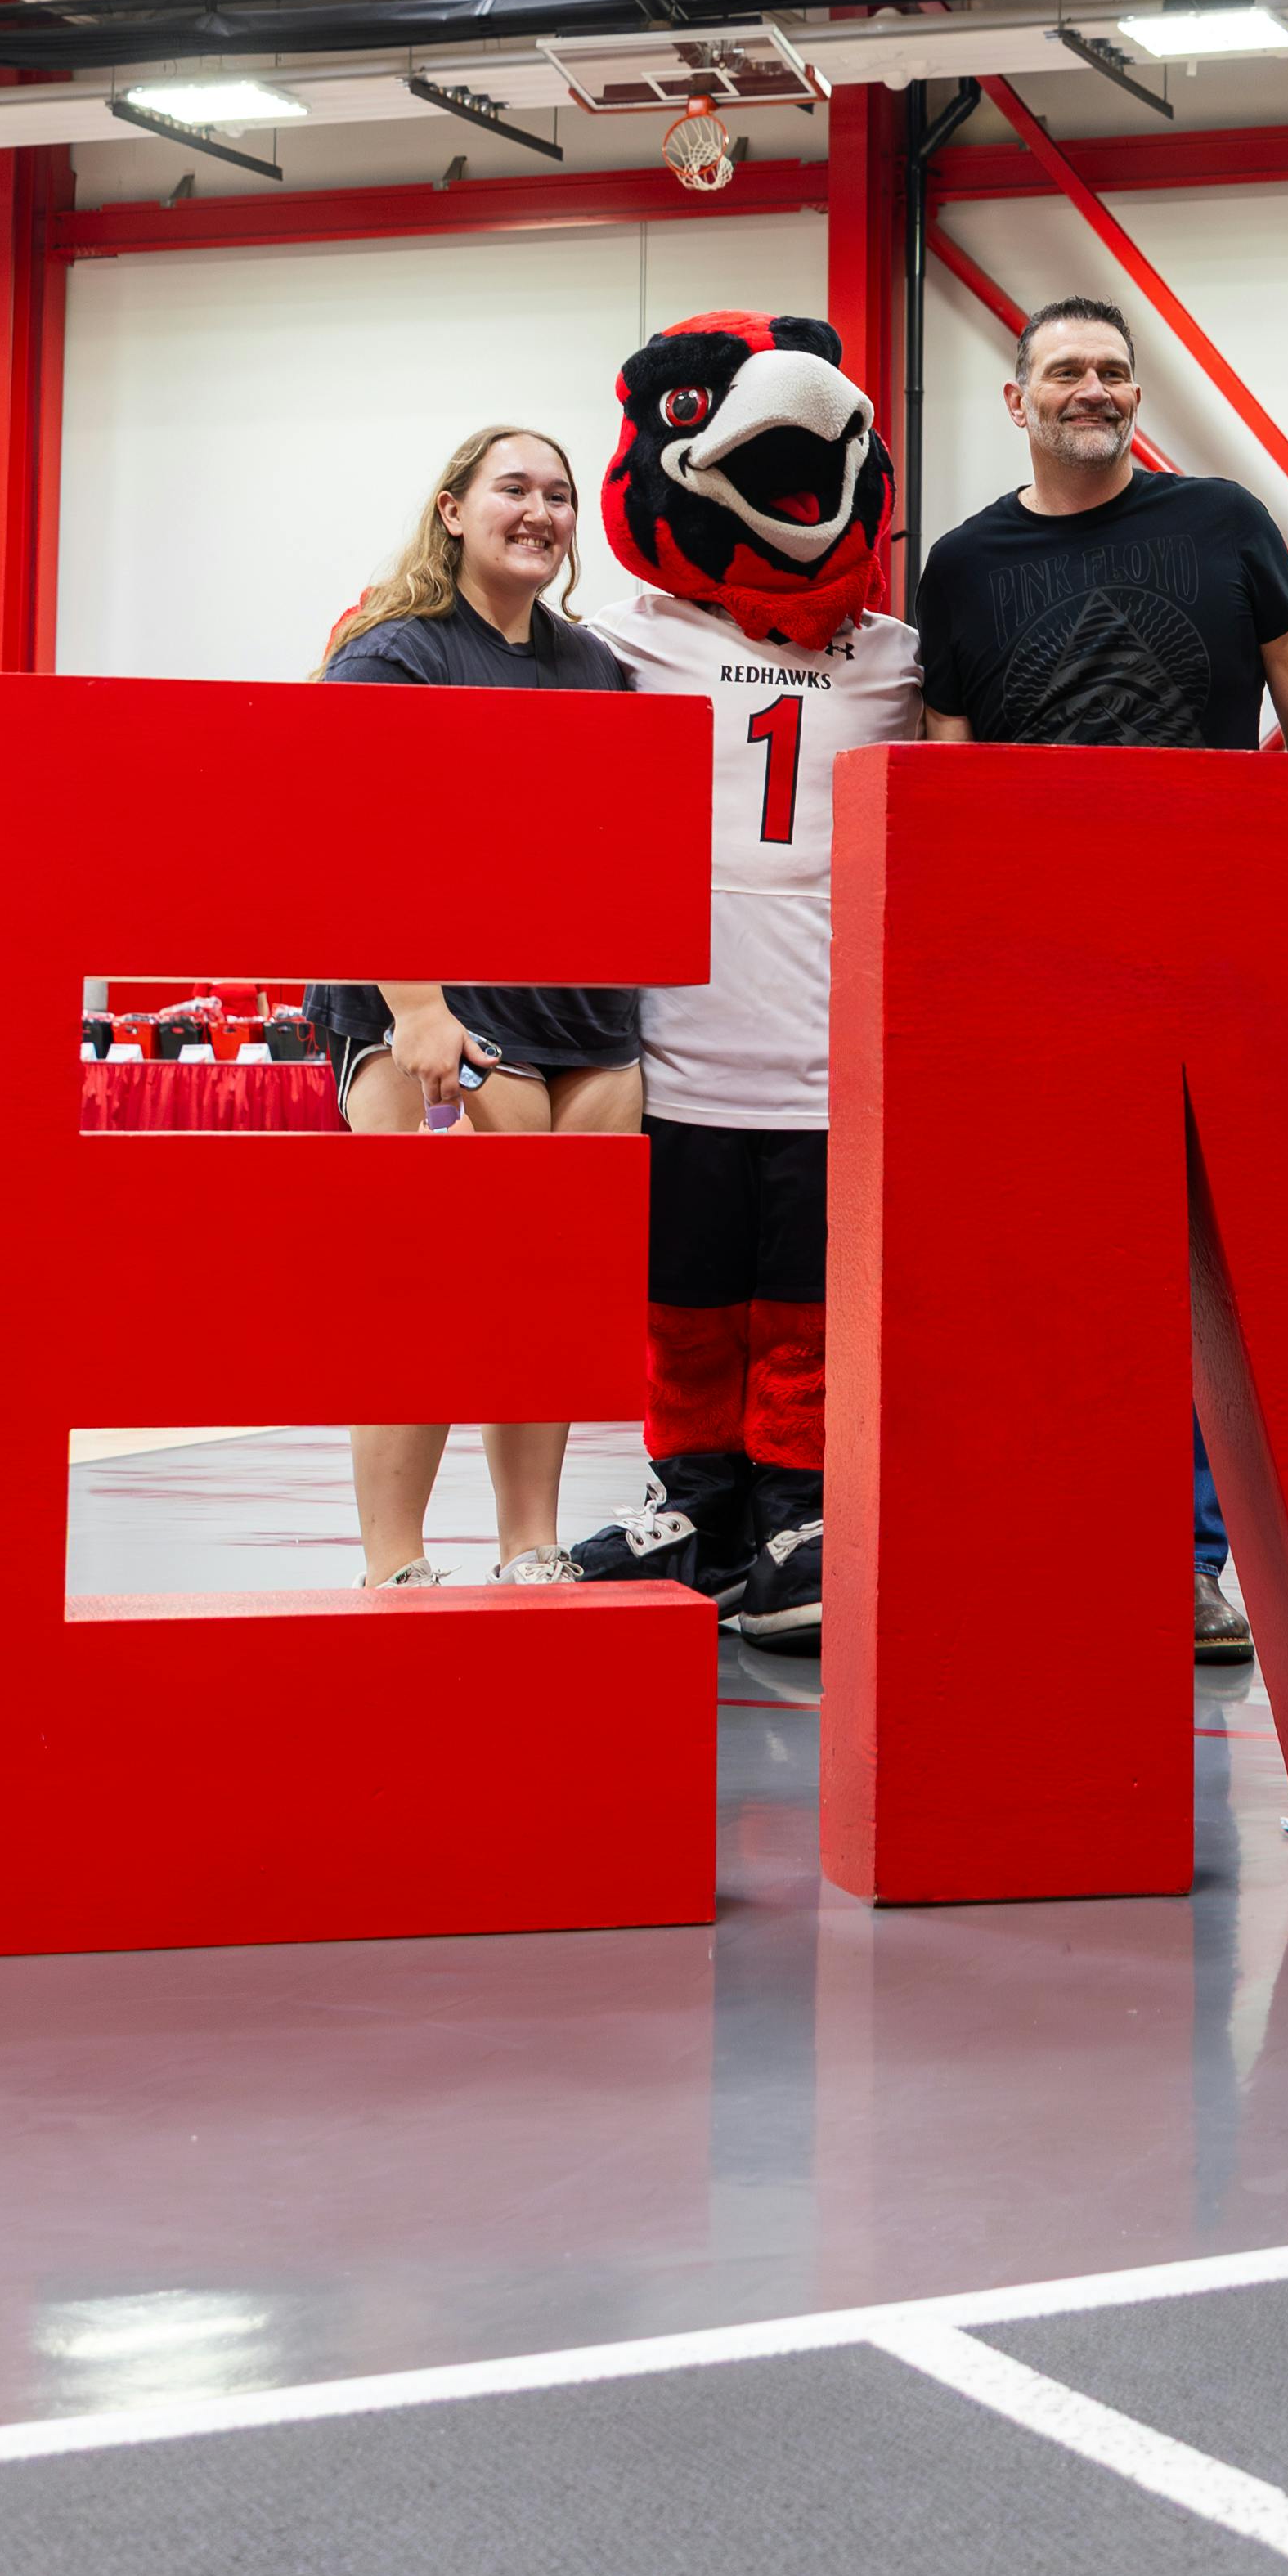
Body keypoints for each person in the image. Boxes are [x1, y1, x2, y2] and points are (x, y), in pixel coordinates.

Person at [910, 295, 1288, 1667]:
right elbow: (948, 769)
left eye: (1113, 369)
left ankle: (1197, 1558)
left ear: (1133, 394)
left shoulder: (1222, 521)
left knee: (1194, 1269)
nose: (1092, 388)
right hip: (1036, 968)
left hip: (1206, 950)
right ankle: (1057, 1529)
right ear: (1017, 398)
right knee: (1048, 1263)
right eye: (1067, 370)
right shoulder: (964, 566)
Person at [559, 313, 913, 1652]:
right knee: (683, 1314)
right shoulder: (620, 638)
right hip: (676, 1051)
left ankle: (801, 1513)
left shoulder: (896, 655)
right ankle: (695, 1507)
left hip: (834, 1060)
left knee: (810, 1323)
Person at [315, 423, 651, 1587]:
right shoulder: (392, 652)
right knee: (429, 1292)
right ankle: (394, 1563)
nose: (541, 512)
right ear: (452, 509)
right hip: (438, 1015)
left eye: (559, 495)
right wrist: (415, 1005)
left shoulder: (595, 666)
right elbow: (353, 840)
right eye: (513, 488)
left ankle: (529, 1544)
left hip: (580, 1020)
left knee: (547, 1298)